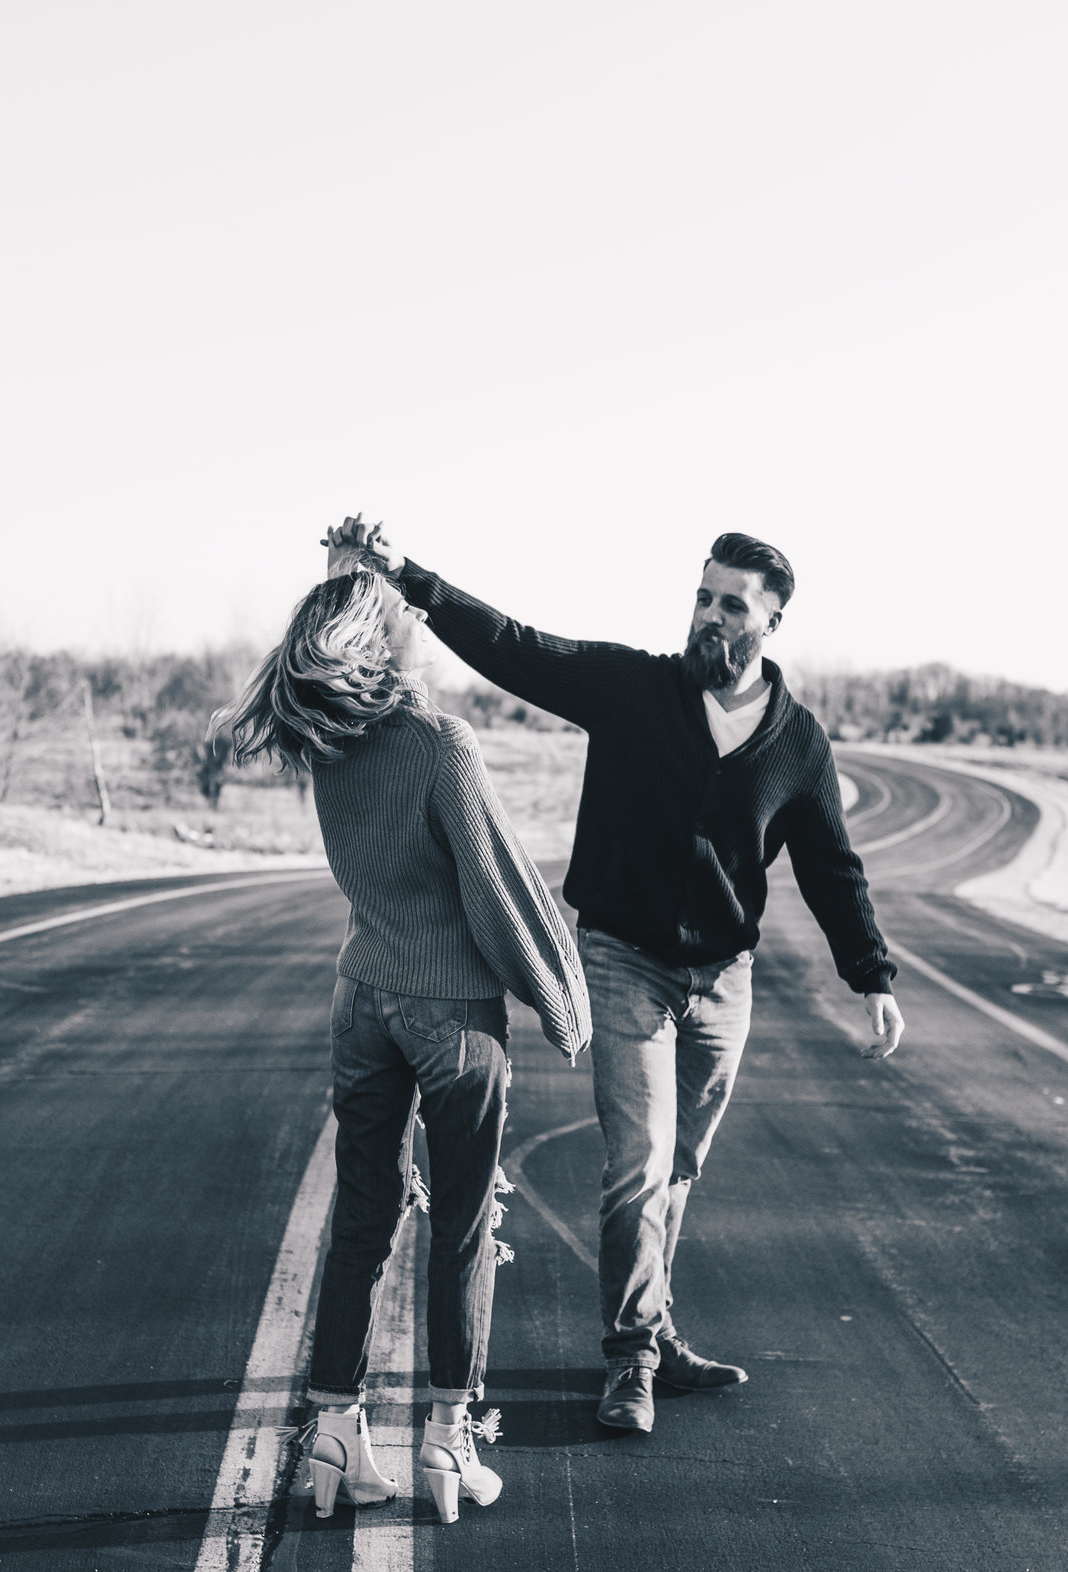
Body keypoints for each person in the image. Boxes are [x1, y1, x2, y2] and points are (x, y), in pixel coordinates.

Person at [329, 516, 905, 1435]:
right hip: (625, 962)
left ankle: (658, 1330)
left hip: (724, 981)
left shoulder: (797, 745)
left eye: (733, 604)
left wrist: (871, 974)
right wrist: (412, 580)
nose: (710, 616)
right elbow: (520, 649)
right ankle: (630, 1358)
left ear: (773, 623)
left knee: (680, 1167)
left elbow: (832, 866)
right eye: (703, 595)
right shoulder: (636, 688)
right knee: (638, 1165)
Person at [216, 557, 591, 1523]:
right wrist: (560, 998)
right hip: (451, 1016)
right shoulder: (441, 745)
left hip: (361, 1003)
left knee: (362, 1218)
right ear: (387, 641)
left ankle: (337, 1431)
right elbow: (496, 886)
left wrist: (355, 568)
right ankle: (447, 1440)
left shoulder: (326, 746)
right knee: (464, 1227)